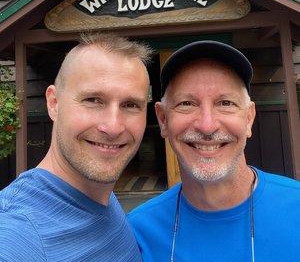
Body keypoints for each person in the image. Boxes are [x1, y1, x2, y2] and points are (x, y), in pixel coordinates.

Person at [128, 40, 300, 262]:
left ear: (249, 118)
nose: (207, 126)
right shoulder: (138, 234)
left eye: (226, 103)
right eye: (187, 104)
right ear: (163, 120)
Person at [0, 32, 151, 261]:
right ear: (54, 103)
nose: (113, 127)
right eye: (93, 100)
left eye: (131, 105)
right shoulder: (17, 236)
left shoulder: (101, 196)